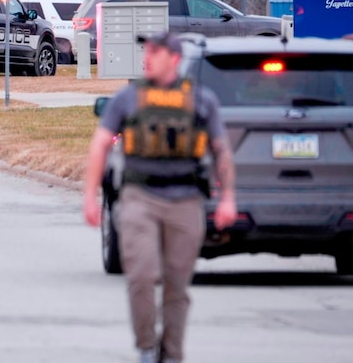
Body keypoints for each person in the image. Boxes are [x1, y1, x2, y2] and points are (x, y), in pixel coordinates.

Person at [83, 30, 237, 363]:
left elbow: (221, 150)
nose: (146, 57)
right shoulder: (129, 98)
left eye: (155, 52)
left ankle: (172, 353)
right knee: (140, 276)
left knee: (176, 285)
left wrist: (228, 198)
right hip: (140, 197)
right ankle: (146, 347)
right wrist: (90, 196)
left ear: (175, 59)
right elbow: (99, 146)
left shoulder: (201, 100)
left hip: (186, 201)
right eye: (146, 51)